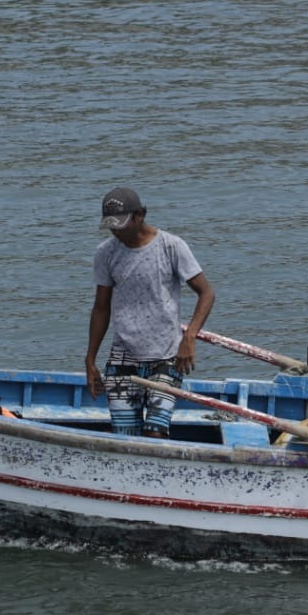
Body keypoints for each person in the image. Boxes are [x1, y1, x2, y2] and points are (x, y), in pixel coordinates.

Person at [83, 186, 215, 438]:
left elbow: (206, 293)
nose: (116, 231)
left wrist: (189, 338)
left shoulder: (171, 246)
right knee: (124, 437)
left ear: (140, 215)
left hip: (166, 355)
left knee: (156, 433)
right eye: (111, 226)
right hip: (124, 355)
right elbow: (101, 308)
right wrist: (90, 360)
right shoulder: (105, 253)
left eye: (121, 224)